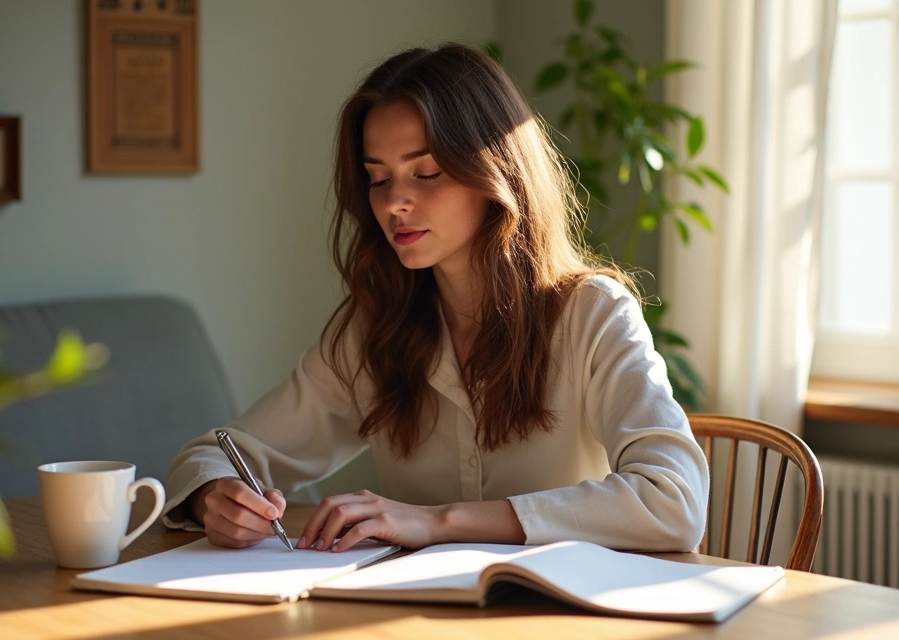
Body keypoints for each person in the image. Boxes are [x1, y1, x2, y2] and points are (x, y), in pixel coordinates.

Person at [161, 42, 709, 554]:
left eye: (426, 172)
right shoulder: (375, 330)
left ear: (496, 175)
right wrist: (216, 499)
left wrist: (437, 521)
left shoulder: (593, 313)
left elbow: (674, 501)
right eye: (378, 179)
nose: (395, 202)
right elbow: (214, 453)